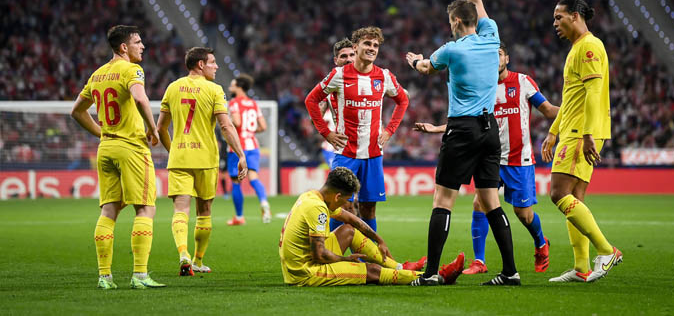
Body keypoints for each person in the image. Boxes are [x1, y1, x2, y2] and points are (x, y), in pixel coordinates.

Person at [405, 0, 520, 286]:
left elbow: (426, 68)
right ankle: (510, 271)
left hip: (463, 129)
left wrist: (414, 60)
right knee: (491, 201)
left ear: (455, 22)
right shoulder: (491, 37)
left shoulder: (451, 50)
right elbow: (479, 4)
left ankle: (430, 274)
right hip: (490, 130)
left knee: (443, 200)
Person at [414, 42, 559, 275]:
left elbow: (549, 110)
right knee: (479, 203)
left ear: (507, 58)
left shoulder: (522, 82)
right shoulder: (483, 85)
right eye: (492, 55)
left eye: (499, 54)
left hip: (518, 158)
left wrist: (576, 116)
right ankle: (479, 262)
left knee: (523, 214)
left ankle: (541, 242)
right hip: (488, 155)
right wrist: (436, 129)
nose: (495, 58)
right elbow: (467, 119)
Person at [70, 25, 165, 290]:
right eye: (138, 42)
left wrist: (102, 132)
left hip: (106, 148)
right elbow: (140, 98)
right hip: (131, 148)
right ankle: (140, 275)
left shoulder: (98, 74)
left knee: (109, 210)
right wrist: (152, 128)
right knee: (145, 208)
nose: (142, 46)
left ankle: (105, 276)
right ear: (124, 47)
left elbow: (76, 111)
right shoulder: (132, 70)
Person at [541, 0, 622, 283]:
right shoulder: (578, 48)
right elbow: (572, 98)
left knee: (558, 193)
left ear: (575, 16)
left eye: (559, 17)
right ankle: (581, 267)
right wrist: (553, 130)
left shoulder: (588, 46)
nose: (555, 24)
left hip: (580, 133)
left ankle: (607, 250)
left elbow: (593, 93)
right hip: (574, 129)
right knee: (575, 198)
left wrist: (587, 134)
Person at [279, 167, 464, 287]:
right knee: (371, 271)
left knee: (349, 231)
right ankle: (425, 277)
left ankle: (401, 268)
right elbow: (319, 255)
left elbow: (352, 220)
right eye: (346, 200)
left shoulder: (313, 196)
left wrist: (379, 239)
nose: (347, 204)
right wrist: (345, 259)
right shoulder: (317, 207)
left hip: (301, 262)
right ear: (337, 196)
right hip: (304, 273)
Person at [305, 27, 409, 233]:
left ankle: (367, 258)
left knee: (368, 208)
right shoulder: (339, 75)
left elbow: (403, 100)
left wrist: (389, 131)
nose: (371, 48)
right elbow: (311, 100)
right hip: (346, 153)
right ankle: (333, 252)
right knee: (340, 206)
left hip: (373, 153)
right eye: (367, 44)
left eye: (375, 45)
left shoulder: (384, 76)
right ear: (356, 47)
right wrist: (326, 133)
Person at [156, 47, 247, 276]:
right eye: (213, 62)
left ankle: (183, 253)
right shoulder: (214, 90)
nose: (216, 67)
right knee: (204, 210)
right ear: (200, 64)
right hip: (206, 159)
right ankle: (197, 260)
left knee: (180, 209)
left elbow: (160, 128)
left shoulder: (172, 87)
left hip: (180, 158)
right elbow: (226, 126)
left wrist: (173, 150)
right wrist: (240, 154)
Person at [226, 74, 271, 225]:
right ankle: (264, 203)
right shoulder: (253, 103)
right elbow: (263, 126)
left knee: (236, 181)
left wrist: (227, 120)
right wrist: (250, 131)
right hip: (253, 144)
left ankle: (239, 217)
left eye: (232, 84)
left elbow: (237, 122)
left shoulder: (234, 103)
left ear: (239, 86)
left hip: (237, 147)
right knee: (253, 177)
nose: (230, 87)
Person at [319, 38, 355, 169]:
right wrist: (327, 133)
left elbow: (402, 96)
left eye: (352, 55)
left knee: (368, 189)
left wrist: (387, 132)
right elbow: (315, 116)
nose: (349, 59)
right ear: (336, 61)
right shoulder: (329, 86)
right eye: (343, 56)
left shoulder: (372, 78)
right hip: (340, 148)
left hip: (368, 148)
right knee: (340, 186)